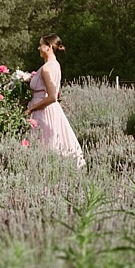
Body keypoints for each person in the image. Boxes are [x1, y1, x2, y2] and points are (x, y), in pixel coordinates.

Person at [23, 34, 85, 168]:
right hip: (49, 109)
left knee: (44, 142)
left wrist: (31, 109)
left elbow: (52, 96)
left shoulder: (47, 68)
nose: (39, 48)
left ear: (49, 47)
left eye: (41, 45)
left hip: (43, 111)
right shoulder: (55, 65)